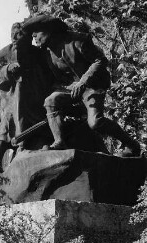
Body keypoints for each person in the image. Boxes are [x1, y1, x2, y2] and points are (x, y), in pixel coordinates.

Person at [23, 14, 141, 157]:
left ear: (48, 30)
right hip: (72, 89)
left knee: (95, 123)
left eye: (36, 31)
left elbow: (100, 60)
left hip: (93, 85)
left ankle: (132, 144)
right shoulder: (47, 53)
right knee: (51, 101)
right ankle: (60, 142)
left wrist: (83, 82)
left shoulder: (78, 40)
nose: (34, 36)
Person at [0, 22, 53, 174]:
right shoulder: (5, 53)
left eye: (20, 34)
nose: (15, 38)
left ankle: (36, 147)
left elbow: (49, 75)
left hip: (34, 101)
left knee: (37, 124)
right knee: (5, 131)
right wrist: (7, 69)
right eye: (13, 35)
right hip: (10, 100)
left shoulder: (39, 54)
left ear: (29, 37)